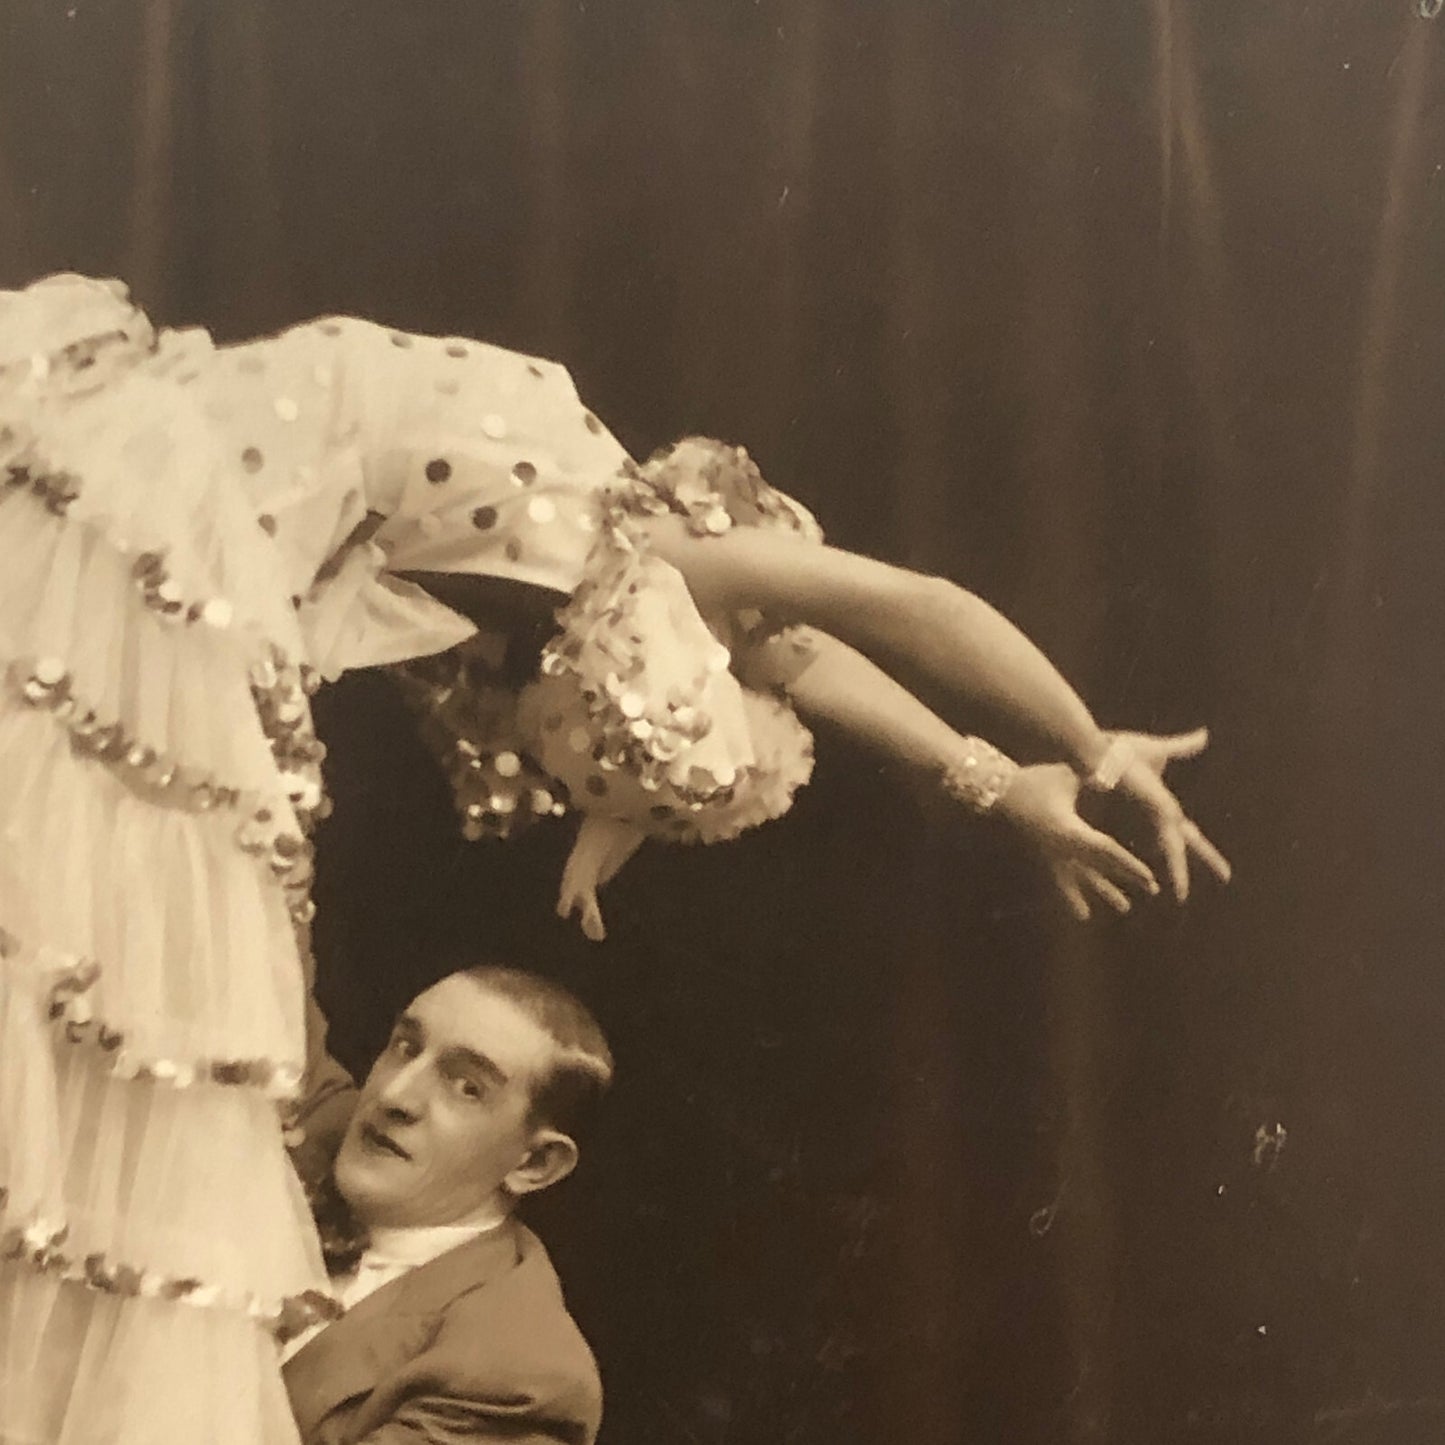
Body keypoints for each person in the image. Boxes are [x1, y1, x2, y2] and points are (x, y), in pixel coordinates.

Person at [0, 272, 1229, 1445]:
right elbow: (918, 604)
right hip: (196, 484)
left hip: (227, 498)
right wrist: (1082, 734)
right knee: (133, 899)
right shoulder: (651, 561)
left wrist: (1000, 783)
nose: (553, 775)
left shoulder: (661, 606)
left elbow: (825, 672)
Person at [281, 965, 609, 1445]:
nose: (395, 1096)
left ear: (535, 1163)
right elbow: (265, 989)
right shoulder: (326, 1127)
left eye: (467, 1088)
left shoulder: (518, 1379)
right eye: (405, 1048)